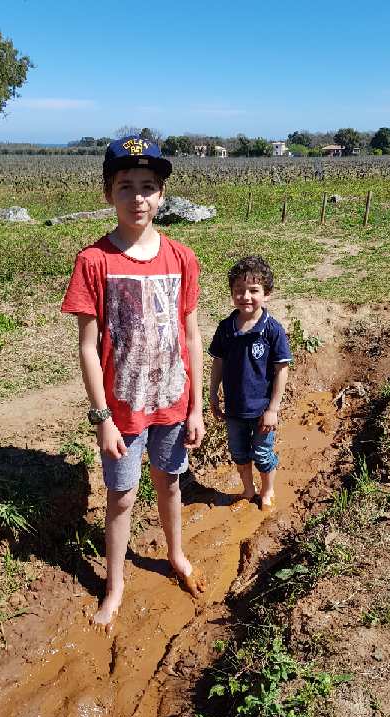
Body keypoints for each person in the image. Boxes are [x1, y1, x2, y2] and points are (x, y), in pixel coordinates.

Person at [61, 135, 205, 629]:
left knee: (170, 484)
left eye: (148, 187)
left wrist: (198, 406)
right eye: (126, 186)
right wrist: (101, 417)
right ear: (108, 193)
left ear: (162, 195)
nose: (138, 197)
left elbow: (190, 333)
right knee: (121, 497)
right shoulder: (93, 261)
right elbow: (87, 346)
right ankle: (115, 582)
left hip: (173, 401)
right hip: (121, 412)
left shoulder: (182, 258)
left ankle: (176, 554)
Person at [209, 256, 292, 509]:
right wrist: (213, 394)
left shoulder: (272, 330)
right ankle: (248, 489)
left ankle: (267, 491)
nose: (245, 296)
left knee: (263, 454)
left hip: (262, 410)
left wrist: (273, 409)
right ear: (232, 294)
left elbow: (281, 369)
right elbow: (218, 363)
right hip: (234, 409)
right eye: (239, 291)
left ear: (267, 294)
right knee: (238, 453)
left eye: (253, 291)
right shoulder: (225, 328)